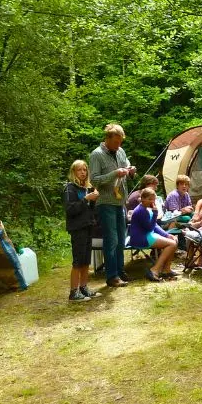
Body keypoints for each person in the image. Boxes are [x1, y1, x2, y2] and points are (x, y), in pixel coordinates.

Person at [90, 123, 136, 288]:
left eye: (120, 142)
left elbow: (126, 164)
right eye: (116, 142)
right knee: (111, 240)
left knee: (121, 240)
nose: (119, 145)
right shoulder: (96, 155)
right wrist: (114, 174)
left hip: (120, 201)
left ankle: (120, 271)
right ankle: (111, 276)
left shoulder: (121, 151)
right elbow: (94, 180)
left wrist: (130, 170)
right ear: (107, 139)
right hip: (106, 202)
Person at [63, 160, 102, 302]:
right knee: (78, 260)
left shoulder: (86, 188)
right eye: (79, 170)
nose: (83, 172)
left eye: (85, 170)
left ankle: (84, 288)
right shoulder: (70, 188)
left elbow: (90, 210)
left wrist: (93, 200)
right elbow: (70, 209)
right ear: (73, 172)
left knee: (86, 260)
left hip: (88, 226)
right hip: (77, 228)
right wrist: (86, 199)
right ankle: (73, 292)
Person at [127, 188, 179, 282]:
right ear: (142, 198)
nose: (152, 201)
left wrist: (167, 235)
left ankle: (166, 270)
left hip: (147, 234)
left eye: (153, 199)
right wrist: (155, 213)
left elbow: (154, 225)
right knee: (172, 244)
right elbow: (149, 228)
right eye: (150, 199)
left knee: (174, 239)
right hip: (140, 238)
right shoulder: (141, 210)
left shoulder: (146, 208)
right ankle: (154, 270)